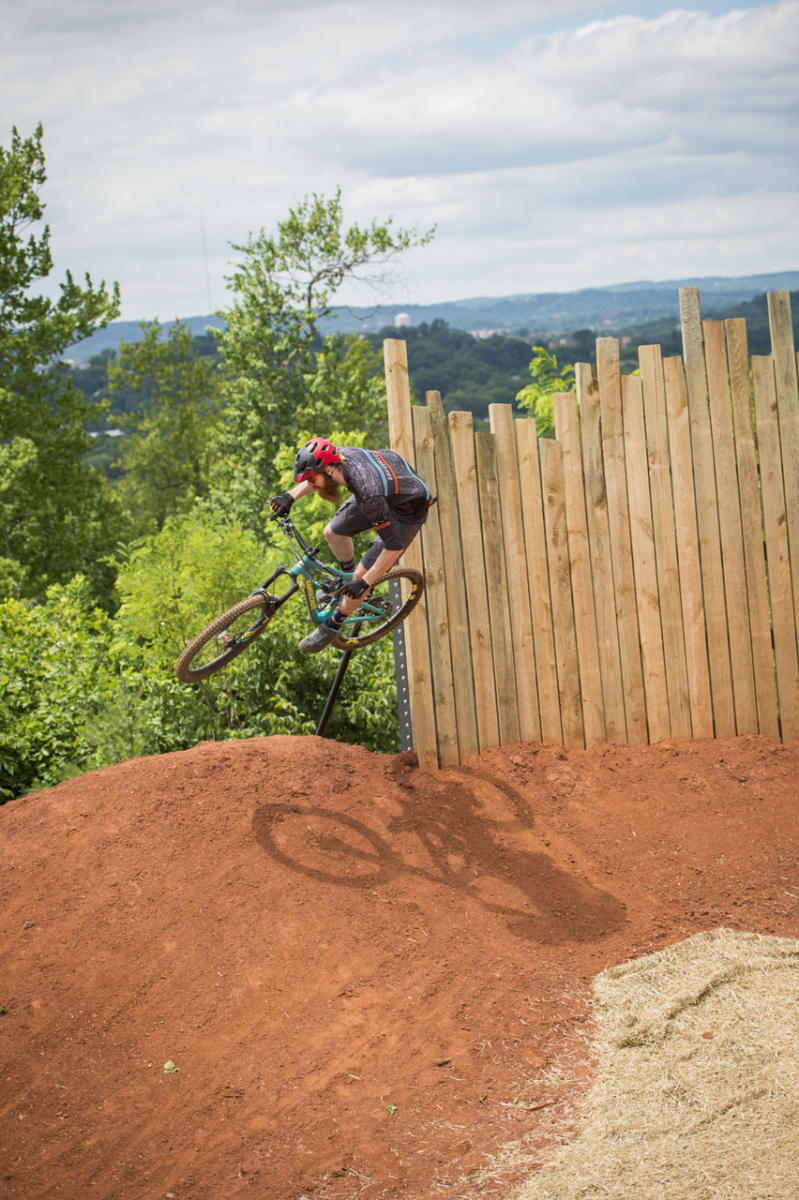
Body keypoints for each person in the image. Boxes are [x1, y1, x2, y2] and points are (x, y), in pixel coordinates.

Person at [270, 437, 434, 653]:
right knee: (332, 532)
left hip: (407, 510)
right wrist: (290, 496)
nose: (310, 485)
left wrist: (364, 582)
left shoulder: (368, 495)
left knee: (360, 578)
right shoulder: (337, 458)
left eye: (312, 480)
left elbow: (393, 547)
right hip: (383, 490)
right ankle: (344, 582)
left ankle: (334, 625)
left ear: (328, 470)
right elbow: (318, 480)